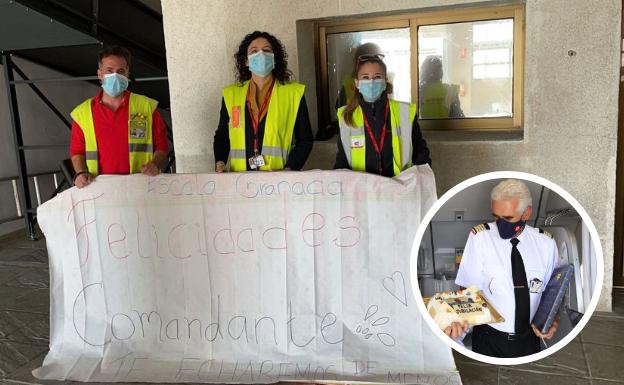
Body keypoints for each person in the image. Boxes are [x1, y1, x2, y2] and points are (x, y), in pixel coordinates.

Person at [450, 179, 560, 358]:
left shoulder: (546, 244)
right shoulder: (480, 238)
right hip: (488, 338)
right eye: (496, 216)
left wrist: (553, 319)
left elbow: (551, 293)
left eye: (508, 218)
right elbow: (468, 292)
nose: (500, 224)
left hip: (529, 339)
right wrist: (458, 330)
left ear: (527, 213)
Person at [69, 46, 169, 188]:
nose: (115, 75)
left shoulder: (146, 107)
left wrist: (155, 164)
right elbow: (77, 151)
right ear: (100, 74)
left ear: (127, 74)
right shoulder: (83, 113)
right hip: (98, 189)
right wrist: (80, 173)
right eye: (109, 71)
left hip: (139, 187)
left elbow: (162, 146)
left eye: (120, 71)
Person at [213, 31, 313, 172]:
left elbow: (305, 140)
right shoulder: (231, 94)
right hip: (240, 181)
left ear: (274, 58)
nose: (260, 54)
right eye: (254, 51)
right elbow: (223, 135)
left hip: (278, 180)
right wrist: (220, 161)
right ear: (246, 61)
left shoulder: (293, 93)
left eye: (266, 50)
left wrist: (290, 169)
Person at [334, 53, 431, 177]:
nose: (371, 82)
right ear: (357, 83)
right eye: (365, 77)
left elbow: (421, 153)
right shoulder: (346, 116)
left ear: (385, 82)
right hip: (363, 192)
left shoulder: (404, 112)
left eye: (377, 76)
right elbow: (342, 161)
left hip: (399, 189)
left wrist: (421, 183)